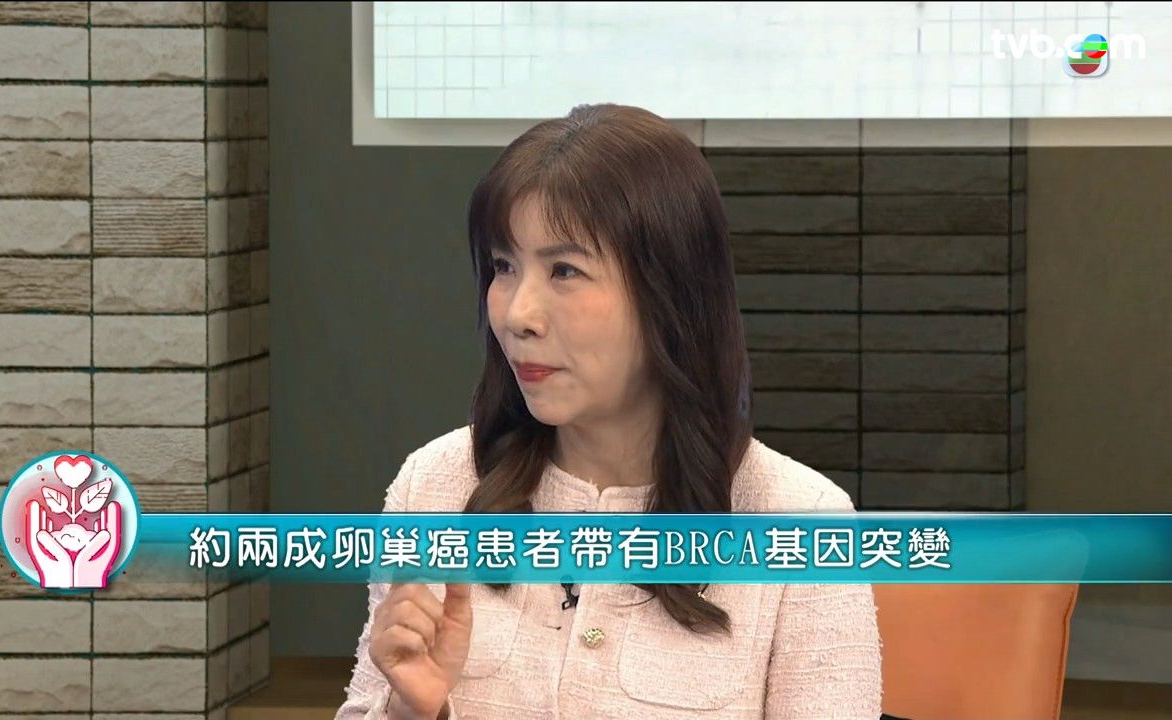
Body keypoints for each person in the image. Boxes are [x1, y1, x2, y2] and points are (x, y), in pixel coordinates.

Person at [336, 103, 882, 719]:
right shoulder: (435, 486)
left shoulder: (804, 524)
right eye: (504, 266)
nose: (517, 314)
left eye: (564, 270)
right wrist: (414, 712)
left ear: (669, 295)